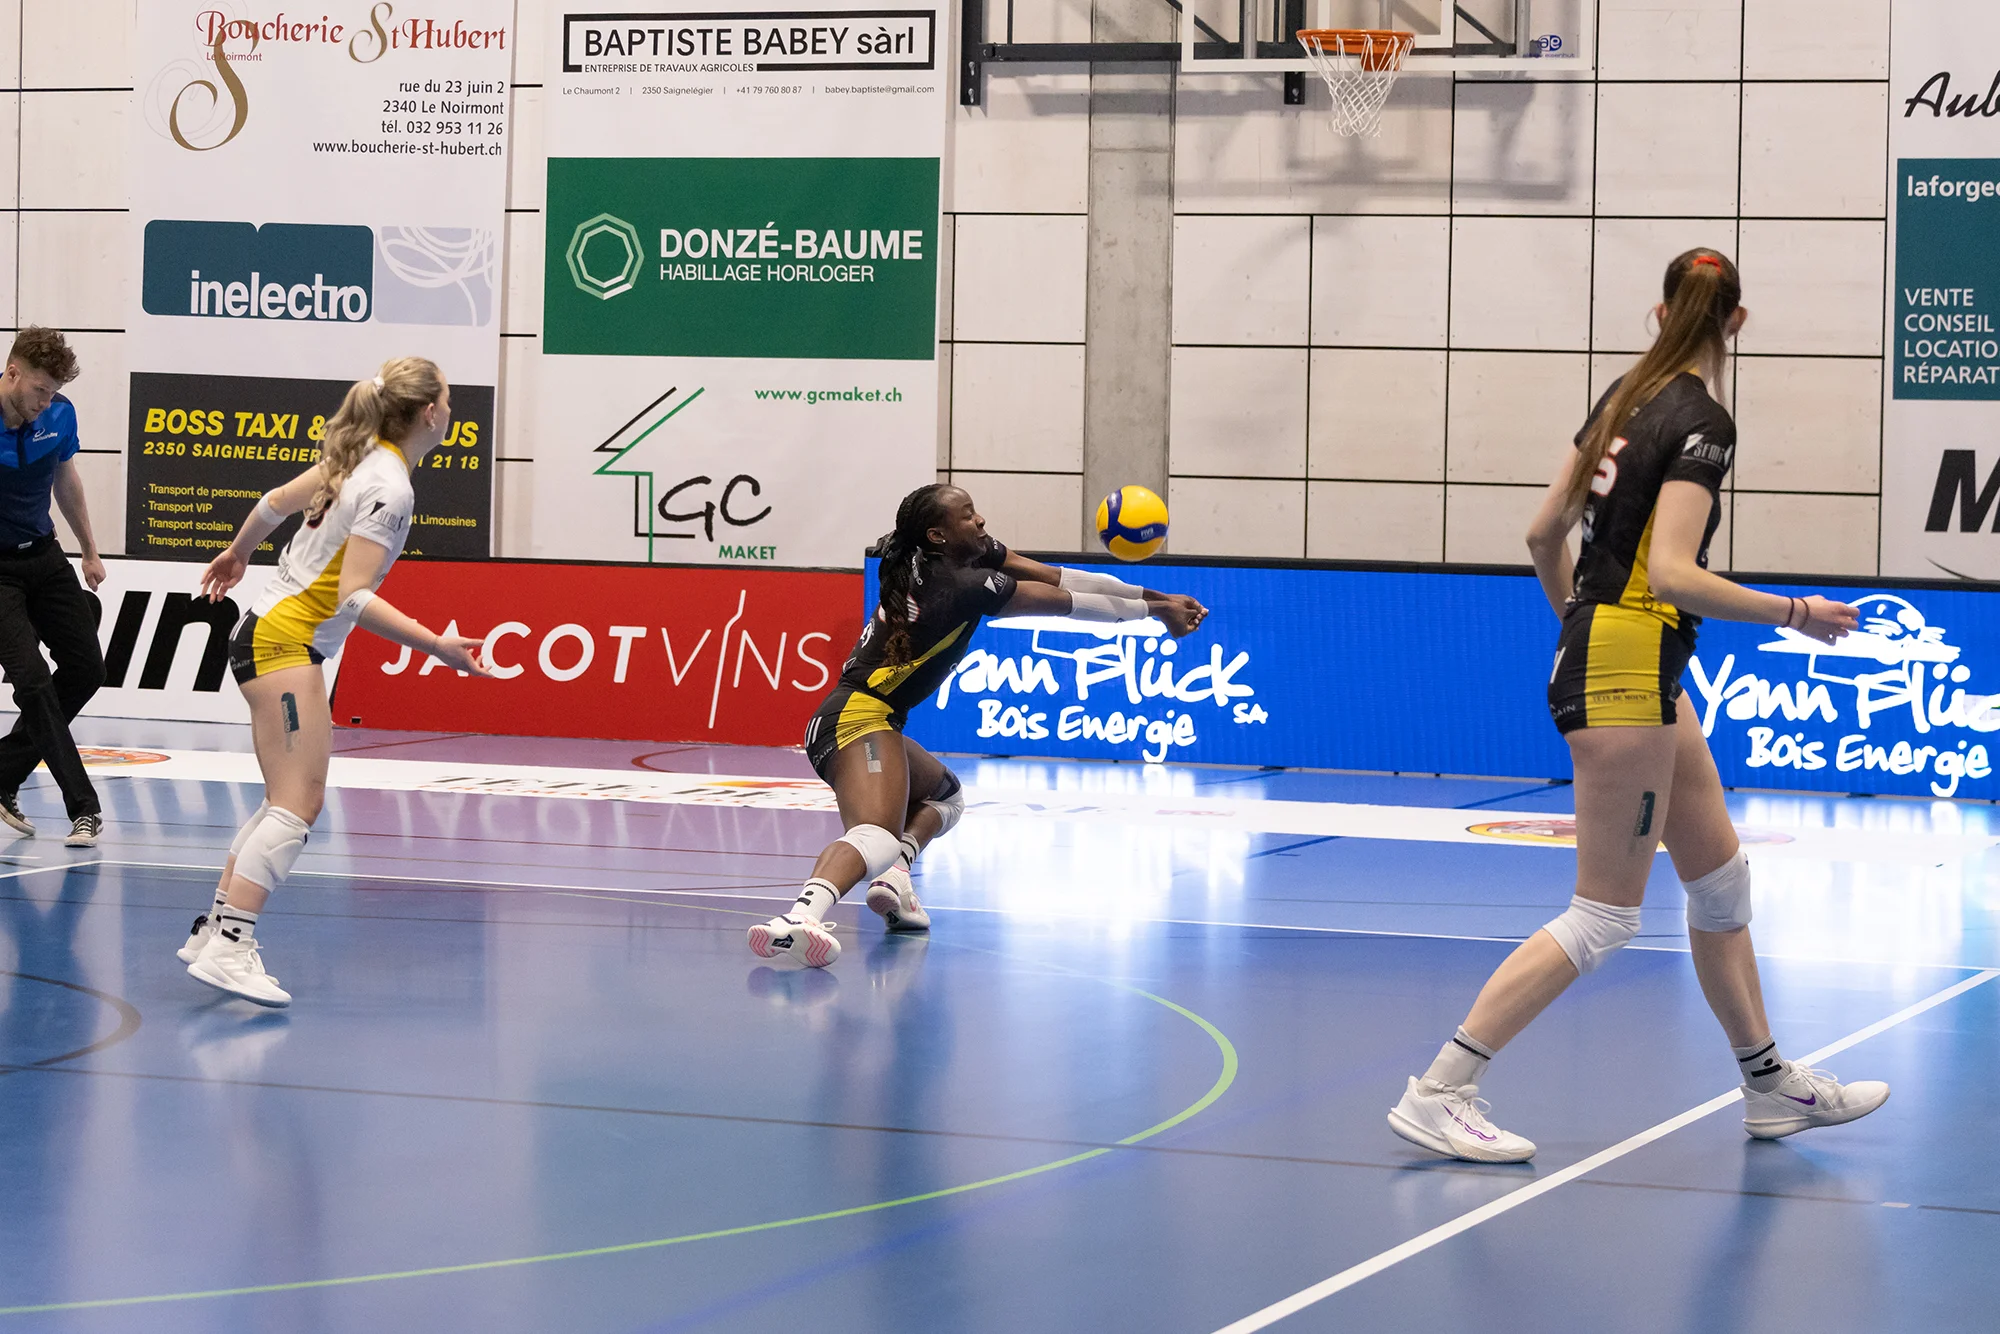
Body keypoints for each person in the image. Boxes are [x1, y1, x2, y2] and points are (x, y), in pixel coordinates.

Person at [1388, 249, 1889, 1162]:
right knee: (1605, 916)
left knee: (1720, 881)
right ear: (1737, 322)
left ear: (1659, 314)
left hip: (1623, 653)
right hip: (1628, 659)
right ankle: (1441, 1088)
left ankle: (1770, 1087)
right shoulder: (1703, 421)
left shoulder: (1622, 399)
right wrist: (1797, 614)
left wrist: (1581, 627)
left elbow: (1542, 534)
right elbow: (1673, 576)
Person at [750, 482, 1208, 968]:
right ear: (938, 535)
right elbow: (1072, 603)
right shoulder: (958, 586)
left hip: (871, 717)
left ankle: (895, 880)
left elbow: (1060, 576)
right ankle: (797, 921)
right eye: (967, 515)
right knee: (875, 835)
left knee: (944, 796)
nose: (981, 519)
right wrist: (1158, 613)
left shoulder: (960, 555)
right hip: (854, 719)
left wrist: (1162, 599)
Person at [181, 358, 492, 1006]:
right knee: (299, 805)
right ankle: (231, 948)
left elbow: (272, 504)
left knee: (282, 800)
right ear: (428, 412)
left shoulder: (357, 458)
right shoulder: (390, 487)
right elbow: (353, 596)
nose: (451, 409)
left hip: (270, 631)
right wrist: (435, 645)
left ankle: (213, 932)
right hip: (284, 641)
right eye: (448, 399)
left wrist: (238, 552)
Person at [0, 328, 108, 848]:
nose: (46, 402)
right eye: (40, 390)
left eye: (53, 392)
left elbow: (66, 480)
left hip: (45, 557)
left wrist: (88, 549)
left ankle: (3, 773)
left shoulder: (59, 415)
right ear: (12, 373)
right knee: (34, 683)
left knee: (88, 669)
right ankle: (84, 807)